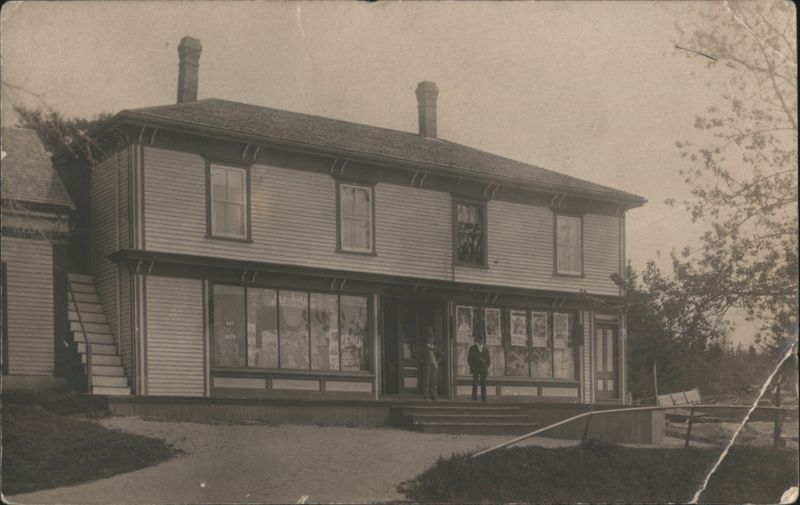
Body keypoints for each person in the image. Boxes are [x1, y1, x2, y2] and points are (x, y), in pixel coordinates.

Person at [418, 326, 445, 400]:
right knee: (426, 381)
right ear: (427, 339)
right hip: (427, 366)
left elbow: (442, 355)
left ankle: (433, 395)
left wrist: (437, 361)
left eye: (432, 338)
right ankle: (426, 395)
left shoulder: (436, 347)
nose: (431, 339)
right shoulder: (423, 347)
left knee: (434, 381)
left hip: (434, 366)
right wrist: (422, 361)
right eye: (429, 338)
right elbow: (417, 355)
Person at [468, 335, 491, 402]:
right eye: (479, 340)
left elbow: (488, 359)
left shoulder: (485, 348)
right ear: (477, 340)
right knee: (474, 383)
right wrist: (472, 366)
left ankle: (484, 398)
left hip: (483, 368)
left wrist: (486, 366)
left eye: (482, 340)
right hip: (475, 368)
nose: (481, 341)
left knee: (483, 383)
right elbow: (469, 359)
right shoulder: (472, 348)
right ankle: (474, 398)